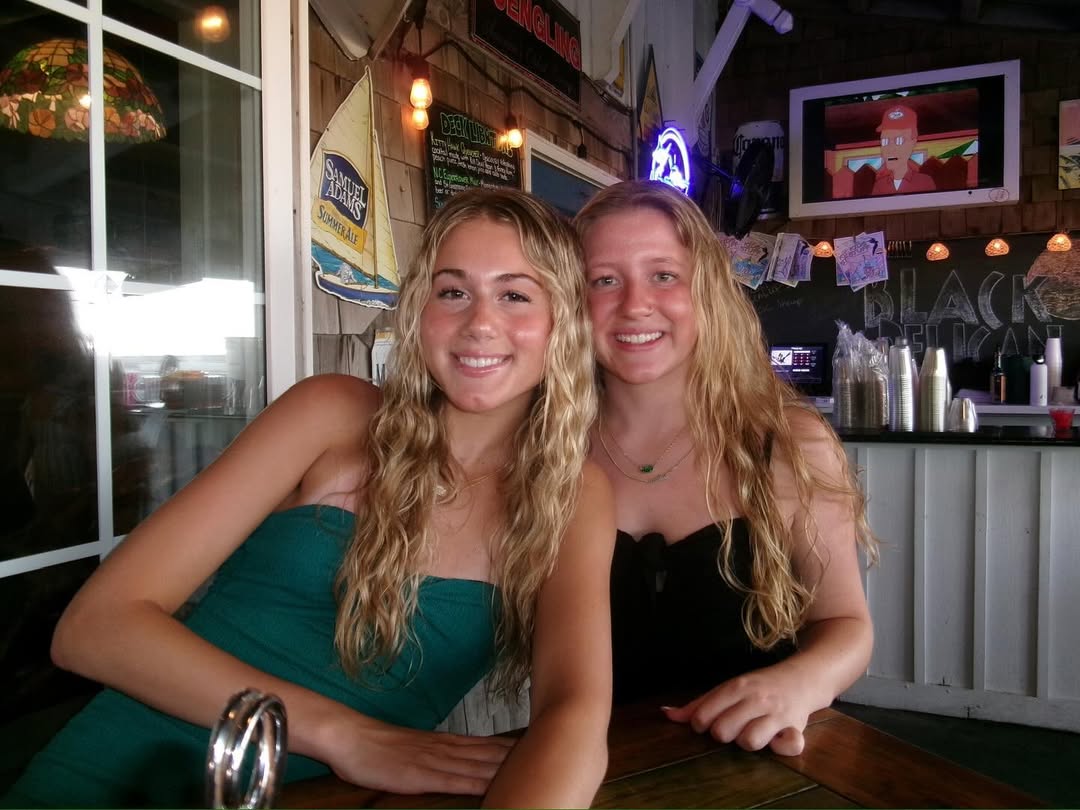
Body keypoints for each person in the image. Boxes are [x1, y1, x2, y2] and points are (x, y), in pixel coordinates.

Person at [4, 187, 615, 808]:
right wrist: (344, 735)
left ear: (562, 320)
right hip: (106, 779)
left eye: (515, 295)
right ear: (419, 311)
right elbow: (92, 629)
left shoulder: (570, 495)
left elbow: (575, 712)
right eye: (452, 291)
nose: (479, 323)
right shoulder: (332, 414)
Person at [573, 180, 877, 757]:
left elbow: (846, 624)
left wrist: (799, 683)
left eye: (664, 275)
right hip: (587, 768)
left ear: (706, 291)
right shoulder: (551, 450)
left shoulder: (787, 442)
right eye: (603, 280)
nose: (635, 304)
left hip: (762, 764)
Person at [871, 105, 936, 195]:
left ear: (913, 142)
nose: (890, 149)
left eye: (899, 141)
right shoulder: (880, 186)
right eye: (885, 141)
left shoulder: (925, 182)